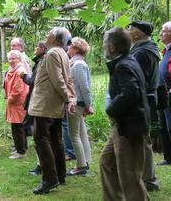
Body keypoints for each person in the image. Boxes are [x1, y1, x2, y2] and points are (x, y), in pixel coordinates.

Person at [100, 27, 150, 201]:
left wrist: (111, 109)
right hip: (123, 126)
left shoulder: (124, 65)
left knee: (129, 175)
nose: (104, 47)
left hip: (130, 128)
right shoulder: (126, 61)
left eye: (105, 44)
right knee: (107, 162)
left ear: (112, 47)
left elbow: (130, 92)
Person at [28, 27, 76, 195]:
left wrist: (68, 97)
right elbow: (67, 79)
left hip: (45, 105)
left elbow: (59, 80)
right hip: (53, 104)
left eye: (48, 34)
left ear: (55, 38)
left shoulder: (52, 53)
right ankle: (60, 175)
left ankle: (49, 178)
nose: (46, 35)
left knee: (41, 140)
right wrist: (70, 96)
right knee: (56, 139)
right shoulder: (62, 52)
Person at [128, 20, 161, 190]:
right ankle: (146, 177)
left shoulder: (141, 53)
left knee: (142, 141)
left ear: (138, 34)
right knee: (142, 140)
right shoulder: (146, 49)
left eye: (130, 28)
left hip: (142, 100)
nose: (128, 31)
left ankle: (148, 180)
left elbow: (136, 81)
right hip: (147, 99)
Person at [66, 37, 92, 176]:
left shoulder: (78, 65)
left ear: (76, 48)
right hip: (79, 103)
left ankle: (81, 166)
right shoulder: (75, 63)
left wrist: (88, 105)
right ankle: (85, 161)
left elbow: (85, 88)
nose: (68, 48)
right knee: (81, 133)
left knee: (74, 134)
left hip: (77, 103)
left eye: (70, 46)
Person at [20, 41, 47, 175]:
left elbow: (33, 82)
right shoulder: (40, 61)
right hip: (38, 101)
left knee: (40, 136)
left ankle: (41, 165)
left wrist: (23, 76)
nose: (34, 49)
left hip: (38, 102)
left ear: (42, 48)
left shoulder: (42, 62)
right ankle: (41, 165)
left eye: (36, 47)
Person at [158, 21, 171, 171]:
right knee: (163, 126)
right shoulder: (168, 49)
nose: (161, 33)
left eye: (163, 31)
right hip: (162, 93)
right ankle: (169, 157)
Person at [4, 50, 29, 159]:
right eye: (10, 58)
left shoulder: (20, 70)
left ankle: (21, 152)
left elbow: (18, 89)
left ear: (19, 59)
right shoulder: (14, 70)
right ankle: (21, 149)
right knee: (18, 127)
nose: (11, 60)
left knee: (18, 127)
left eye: (13, 58)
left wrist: (10, 99)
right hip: (15, 103)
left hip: (17, 103)